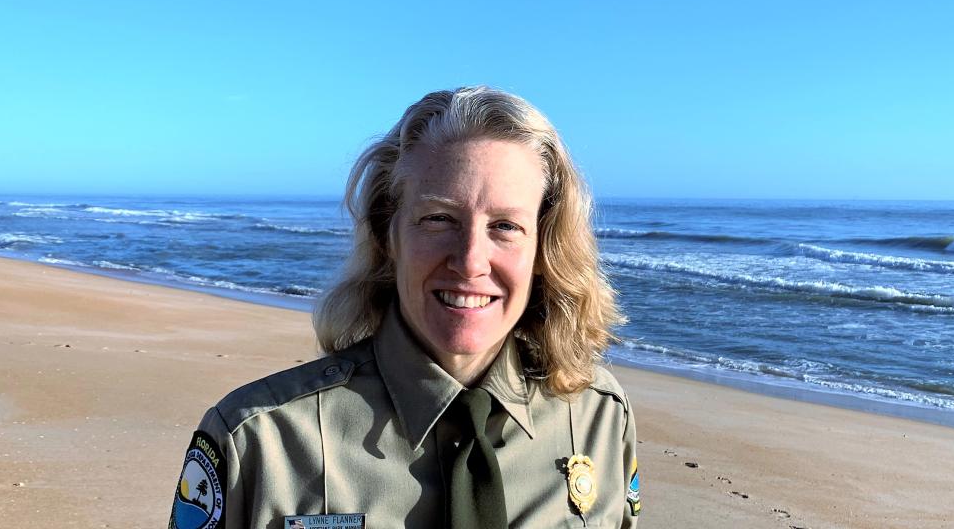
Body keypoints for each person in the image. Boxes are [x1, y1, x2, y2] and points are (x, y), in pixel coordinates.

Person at [169, 86, 640, 529]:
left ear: (543, 250)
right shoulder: (259, 440)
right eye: (438, 219)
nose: (470, 261)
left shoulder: (599, 419)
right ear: (386, 234)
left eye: (505, 226)